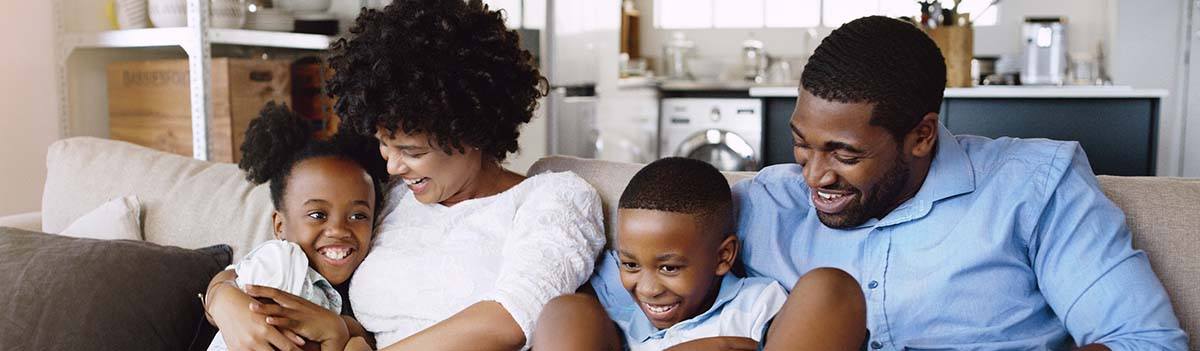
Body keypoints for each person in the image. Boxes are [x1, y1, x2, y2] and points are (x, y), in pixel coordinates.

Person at [552, 16, 1188, 350]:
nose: (814, 175)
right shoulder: (759, 204)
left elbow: (1145, 342)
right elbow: (619, 291)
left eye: (845, 154)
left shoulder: (1033, 187)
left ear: (921, 135)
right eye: (801, 144)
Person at [205, 1, 607, 350]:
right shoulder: (392, 197)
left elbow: (510, 320)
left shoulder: (554, 197)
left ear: (471, 131)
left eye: (412, 152)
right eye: (384, 143)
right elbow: (288, 258)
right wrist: (224, 300)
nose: (393, 166)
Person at [535, 159, 866, 351]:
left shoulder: (756, 306)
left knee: (828, 288)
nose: (648, 288)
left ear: (724, 257)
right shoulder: (614, 306)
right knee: (566, 308)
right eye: (630, 264)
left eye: (669, 267)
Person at [203, 103, 388, 351]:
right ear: (280, 226)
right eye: (318, 214)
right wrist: (223, 300)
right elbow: (230, 279)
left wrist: (341, 332)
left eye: (357, 216)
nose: (339, 229)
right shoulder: (280, 262)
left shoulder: (372, 288)